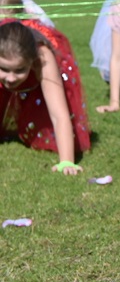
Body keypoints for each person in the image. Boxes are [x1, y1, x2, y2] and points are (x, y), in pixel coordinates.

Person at [0, 19, 90, 174]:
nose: (11, 78)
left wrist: (67, 162)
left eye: (20, 70)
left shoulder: (43, 57)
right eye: (4, 69)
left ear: (32, 61)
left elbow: (58, 114)